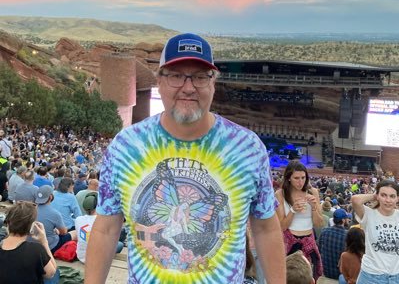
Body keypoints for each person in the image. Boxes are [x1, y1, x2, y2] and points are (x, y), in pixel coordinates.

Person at [85, 33, 286, 284]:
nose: (188, 87)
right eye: (176, 75)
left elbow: (266, 228)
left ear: (213, 83)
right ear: (159, 81)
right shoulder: (125, 146)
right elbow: (106, 228)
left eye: (201, 76)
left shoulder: (248, 148)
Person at [275, 160, 324, 281]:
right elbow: (282, 227)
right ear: (289, 178)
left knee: (309, 278)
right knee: (287, 278)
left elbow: (319, 223)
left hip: (309, 240)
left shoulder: (313, 192)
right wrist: (292, 210)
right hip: (288, 240)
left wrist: (313, 208)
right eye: (296, 178)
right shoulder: (280, 194)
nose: (300, 182)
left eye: (303, 177)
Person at [351, 179, 399, 284]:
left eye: (392, 196)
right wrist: (374, 195)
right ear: (377, 196)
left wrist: (380, 194)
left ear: (397, 198)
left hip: (396, 276)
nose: (388, 200)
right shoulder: (369, 214)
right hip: (371, 275)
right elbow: (355, 200)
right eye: (384, 195)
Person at [0, 201, 59, 284]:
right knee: (55, 271)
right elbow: (51, 273)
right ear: (31, 226)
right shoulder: (36, 250)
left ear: (8, 223)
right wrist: (44, 242)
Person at [75, 192, 123, 263]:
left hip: (81, 257)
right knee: (120, 244)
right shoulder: (103, 220)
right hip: (98, 259)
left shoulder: (78, 219)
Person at [35, 185, 77, 253]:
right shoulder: (54, 213)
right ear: (51, 197)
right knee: (75, 233)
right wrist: (57, 230)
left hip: (34, 244)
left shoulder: (31, 210)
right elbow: (63, 232)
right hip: (50, 246)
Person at [318, 208, 349, 280]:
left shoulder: (324, 231)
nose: (348, 220)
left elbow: (319, 249)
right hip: (340, 274)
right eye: (346, 218)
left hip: (326, 272)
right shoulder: (347, 235)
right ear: (343, 220)